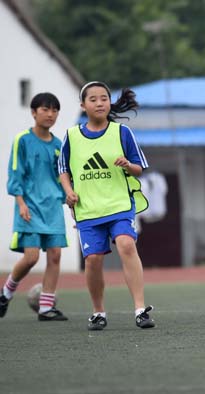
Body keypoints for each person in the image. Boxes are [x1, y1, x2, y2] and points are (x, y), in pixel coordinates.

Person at [58, 81, 154, 330]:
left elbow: (139, 169)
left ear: (109, 102)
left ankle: (141, 309)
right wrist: (69, 192)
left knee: (126, 244)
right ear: (83, 105)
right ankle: (98, 312)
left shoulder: (122, 133)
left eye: (104, 98)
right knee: (93, 260)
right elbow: (63, 169)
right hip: (88, 210)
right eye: (93, 99)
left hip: (119, 204)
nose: (100, 102)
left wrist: (127, 166)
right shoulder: (71, 135)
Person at [0, 93, 68, 321]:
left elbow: (63, 177)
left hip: (53, 209)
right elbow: (15, 172)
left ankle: (46, 308)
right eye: (45, 109)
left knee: (55, 256)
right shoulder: (22, 140)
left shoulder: (59, 146)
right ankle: (6, 293)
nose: (50, 114)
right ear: (33, 112)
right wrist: (20, 203)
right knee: (30, 258)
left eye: (54, 110)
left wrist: (68, 197)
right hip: (29, 208)